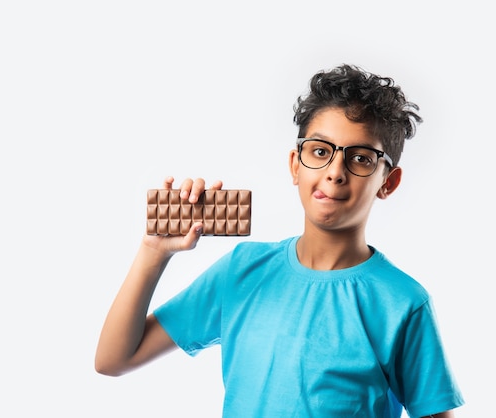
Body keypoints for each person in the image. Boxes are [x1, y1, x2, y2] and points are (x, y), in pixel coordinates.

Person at [95, 63, 465, 418]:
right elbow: (114, 360)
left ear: (388, 181)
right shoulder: (242, 271)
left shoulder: (403, 303)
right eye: (320, 151)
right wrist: (153, 252)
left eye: (361, 158)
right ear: (295, 164)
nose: (335, 172)